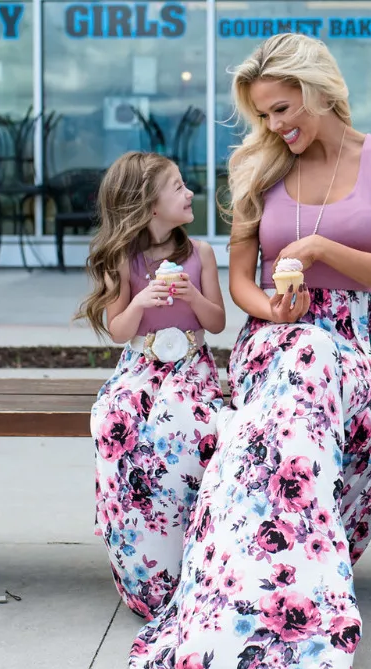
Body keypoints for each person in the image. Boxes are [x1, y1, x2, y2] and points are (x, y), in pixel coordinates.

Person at [128, 34, 371, 669]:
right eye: (264, 114)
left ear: (320, 91)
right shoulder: (254, 165)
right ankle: (285, 597)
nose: (274, 125)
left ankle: (255, 588)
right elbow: (240, 282)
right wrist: (275, 307)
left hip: (352, 342)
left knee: (311, 364)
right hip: (273, 338)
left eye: (284, 108)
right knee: (302, 356)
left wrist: (321, 247)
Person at [80, 151, 227, 620]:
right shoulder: (125, 259)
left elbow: (218, 323)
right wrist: (141, 298)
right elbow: (120, 331)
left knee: (189, 428)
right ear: (147, 203)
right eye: (179, 186)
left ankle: (187, 550)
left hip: (191, 367)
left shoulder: (199, 254)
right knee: (115, 419)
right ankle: (136, 549)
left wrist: (193, 295)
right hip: (140, 367)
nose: (190, 194)